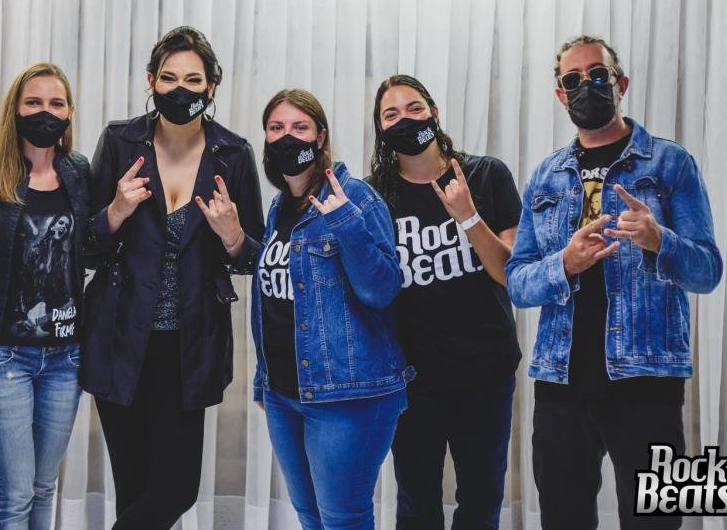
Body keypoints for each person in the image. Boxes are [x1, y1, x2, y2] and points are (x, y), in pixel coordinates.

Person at [506, 35, 723, 530]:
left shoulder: (671, 162)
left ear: (620, 84)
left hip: (651, 381)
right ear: (560, 95)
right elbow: (517, 282)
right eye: (573, 80)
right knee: (562, 520)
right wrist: (564, 263)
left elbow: (708, 271)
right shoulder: (544, 175)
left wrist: (658, 239)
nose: (587, 86)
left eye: (598, 75)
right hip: (560, 383)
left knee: (658, 522)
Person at [83, 26, 264, 529]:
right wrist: (115, 212)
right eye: (169, 78)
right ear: (151, 81)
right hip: (120, 339)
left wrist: (232, 236)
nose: (180, 90)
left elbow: (254, 258)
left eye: (193, 79)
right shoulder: (120, 142)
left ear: (212, 86)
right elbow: (85, 247)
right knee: (134, 488)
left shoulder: (234, 154)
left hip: (189, 345)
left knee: (177, 488)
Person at [367, 75, 521, 530]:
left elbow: (510, 274)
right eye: (391, 114)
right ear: (380, 129)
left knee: (481, 500)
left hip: (485, 372)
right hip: (413, 379)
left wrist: (469, 217)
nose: (405, 119)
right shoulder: (373, 195)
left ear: (434, 113)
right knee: (416, 506)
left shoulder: (486, 175)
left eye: (414, 108)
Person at [254, 88, 410, 530]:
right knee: (309, 516)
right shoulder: (280, 206)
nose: (287, 137)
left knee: (342, 519)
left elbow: (381, 289)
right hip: (285, 393)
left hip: (347, 393)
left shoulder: (356, 197)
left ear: (320, 137)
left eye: (299, 127)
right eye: (276, 128)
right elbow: (278, 298)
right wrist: (264, 381)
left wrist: (346, 223)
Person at [0, 63, 90, 530]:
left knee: (44, 486)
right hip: (0, 355)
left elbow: (90, 247)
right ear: (14, 109)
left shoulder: (79, 171)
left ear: (69, 112)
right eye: (33, 102)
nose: (44, 112)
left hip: (66, 356)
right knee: (16, 494)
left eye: (55, 103)